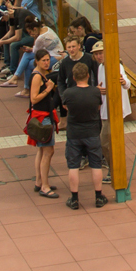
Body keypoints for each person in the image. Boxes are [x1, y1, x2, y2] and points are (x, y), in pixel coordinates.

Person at [58, 52, 107, 210]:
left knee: (73, 166)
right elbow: (98, 106)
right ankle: (98, 196)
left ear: (73, 77)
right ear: (87, 75)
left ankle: (74, 198)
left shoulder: (68, 94)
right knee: (96, 164)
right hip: (92, 132)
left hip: (74, 133)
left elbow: (66, 107)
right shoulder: (95, 92)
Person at [26, 51, 60, 198]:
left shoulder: (42, 74)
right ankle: (44, 186)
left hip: (45, 115)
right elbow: (33, 99)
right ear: (37, 61)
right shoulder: (37, 76)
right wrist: (48, 89)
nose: (47, 63)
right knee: (48, 151)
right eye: (44, 60)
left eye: (48, 60)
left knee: (41, 151)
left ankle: (39, 181)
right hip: (42, 117)